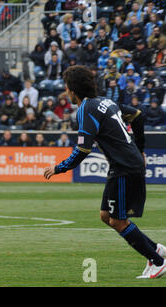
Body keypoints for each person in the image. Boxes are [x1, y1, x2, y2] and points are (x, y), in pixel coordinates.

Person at [44, 65, 166, 279]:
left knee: (118, 221)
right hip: (124, 164)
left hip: (124, 167)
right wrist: (140, 149)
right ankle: (156, 250)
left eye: (66, 87)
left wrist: (58, 168)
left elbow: (83, 148)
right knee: (106, 216)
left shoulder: (86, 109)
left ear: (72, 89)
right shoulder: (105, 102)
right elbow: (137, 115)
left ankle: (158, 262)